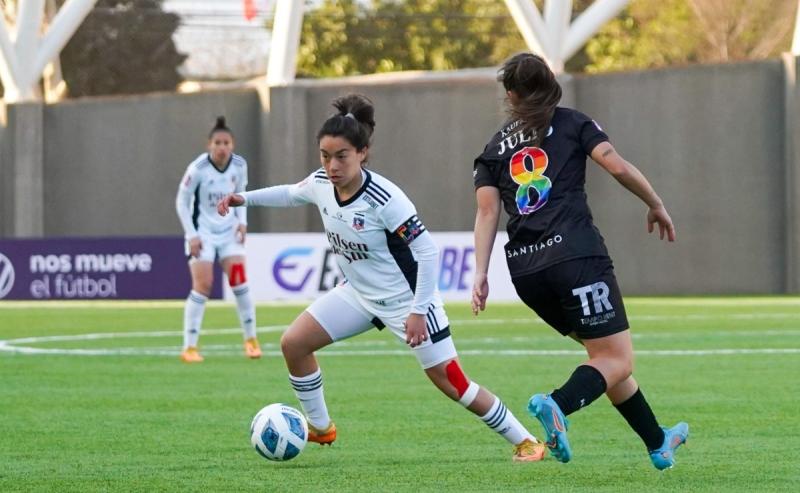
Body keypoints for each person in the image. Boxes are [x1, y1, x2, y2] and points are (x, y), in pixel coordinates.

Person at [218, 94, 544, 461]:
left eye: (341, 156)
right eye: (325, 156)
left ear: (362, 153)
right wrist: (241, 199)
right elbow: (291, 194)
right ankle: (322, 428)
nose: (332, 165)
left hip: (407, 301)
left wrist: (419, 310)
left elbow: (427, 252)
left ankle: (526, 440)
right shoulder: (321, 183)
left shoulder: (384, 198)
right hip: (358, 295)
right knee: (294, 343)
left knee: (452, 382)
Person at [471, 53, 688, 470]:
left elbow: (486, 213)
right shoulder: (572, 122)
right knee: (616, 358)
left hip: (525, 270)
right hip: (574, 256)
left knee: (604, 358)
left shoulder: (493, 148)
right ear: (550, 82)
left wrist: (480, 274)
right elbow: (616, 165)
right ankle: (557, 405)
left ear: (512, 95)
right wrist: (655, 202)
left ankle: (658, 441)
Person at [175, 116, 260, 363]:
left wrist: (243, 222)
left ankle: (251, 340)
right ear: (209, 145)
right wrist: (191, 235)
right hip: (202, 233)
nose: (222, 147)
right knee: (203, 285)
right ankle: (189, 347)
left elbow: (240, 195)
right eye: (217, 143)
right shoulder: (198, 169)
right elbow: (181, 201)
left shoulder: (239, 166)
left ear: (232, 145)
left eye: (226, 143)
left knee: (239, 282)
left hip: (229, 233)